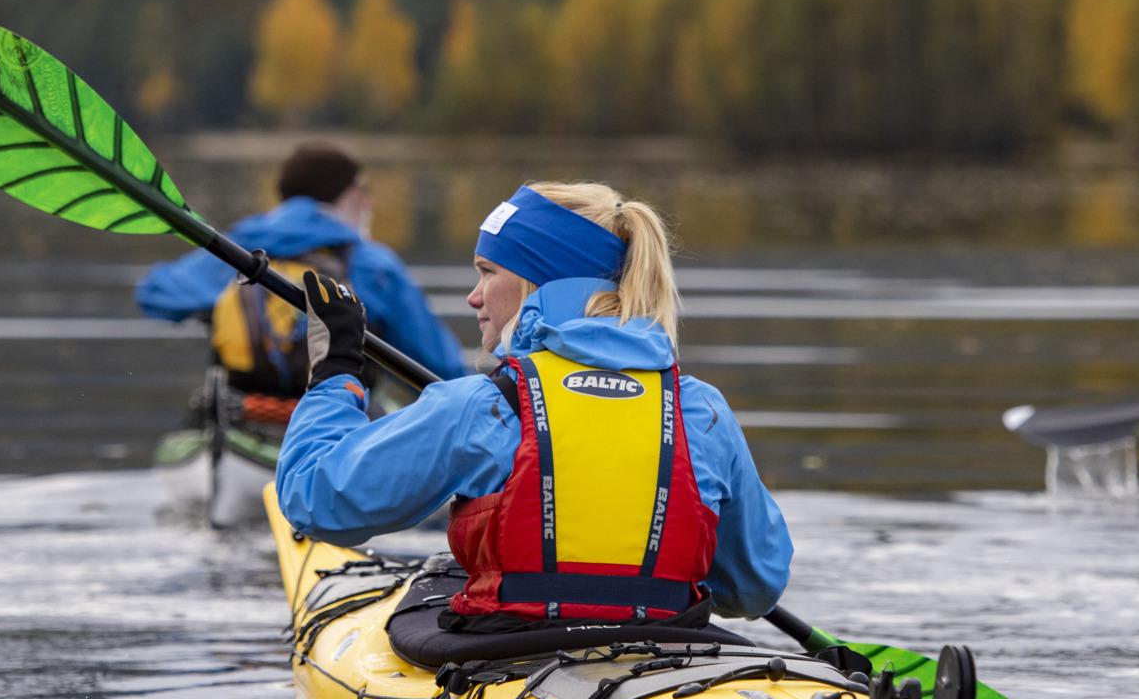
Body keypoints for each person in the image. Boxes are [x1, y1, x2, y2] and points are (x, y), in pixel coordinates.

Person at [276, 180, 793, 628]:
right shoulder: (701, 412)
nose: (473, 298)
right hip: (662, 655)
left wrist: (335, 376)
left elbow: (313, 502)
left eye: (487, 272)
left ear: (537, 282)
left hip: (513, 657)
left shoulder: (483, 406)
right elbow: (755, 587)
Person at [135, 141, 469, 404]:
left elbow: (155, 294)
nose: (369, 203)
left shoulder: (238, 246)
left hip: (245, 414)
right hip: (339, 423)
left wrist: (215, 303)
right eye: (363, 191)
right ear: (348, 194)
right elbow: (441, 367)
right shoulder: (373, 264)